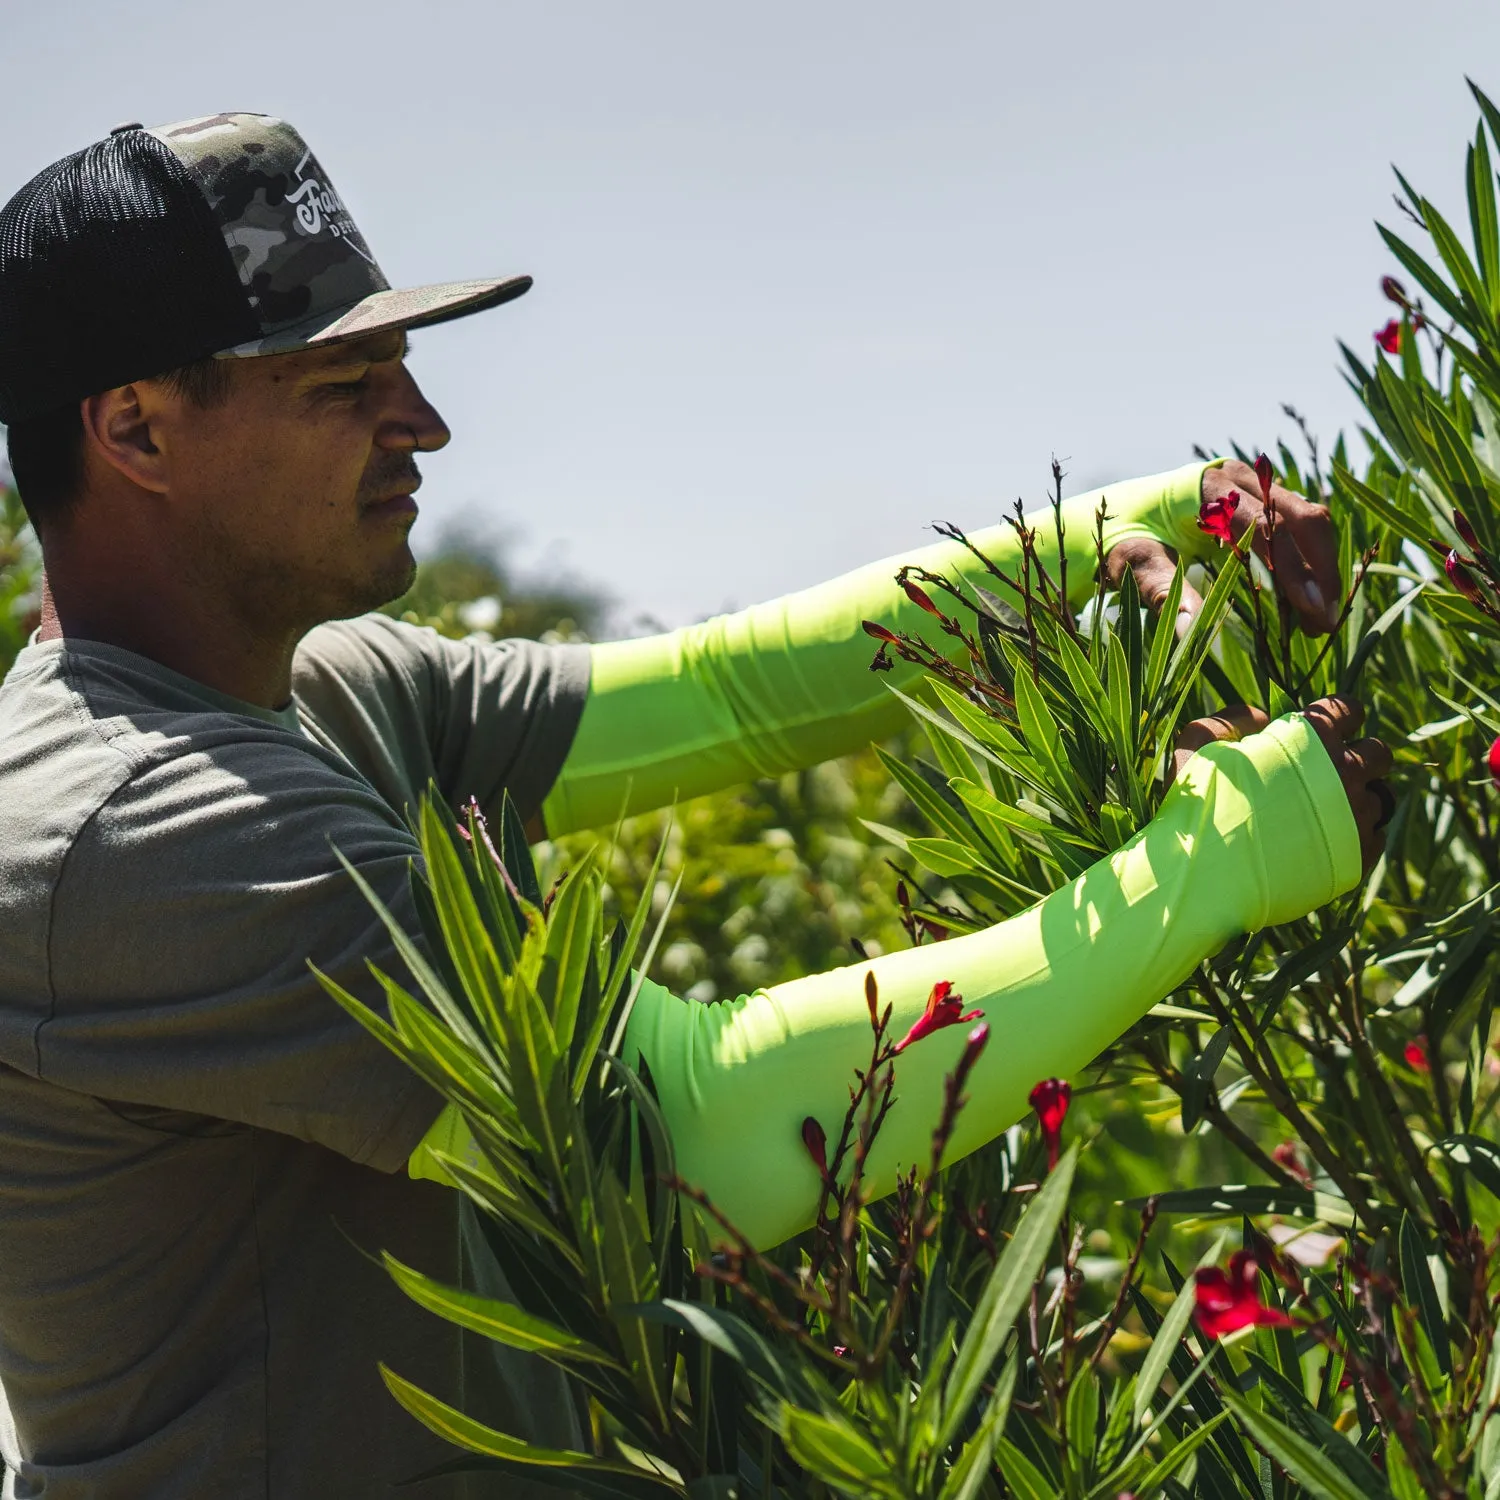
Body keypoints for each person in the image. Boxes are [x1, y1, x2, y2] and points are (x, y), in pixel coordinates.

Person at [0, 113, 1390, 1498]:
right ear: (134, 428)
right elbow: (711, 1131)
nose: (422, 423)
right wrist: (1232, 848)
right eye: (343, 381)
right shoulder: (131, 831)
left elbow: (728, 694)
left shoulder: (327, 685)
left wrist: (1133, 530)